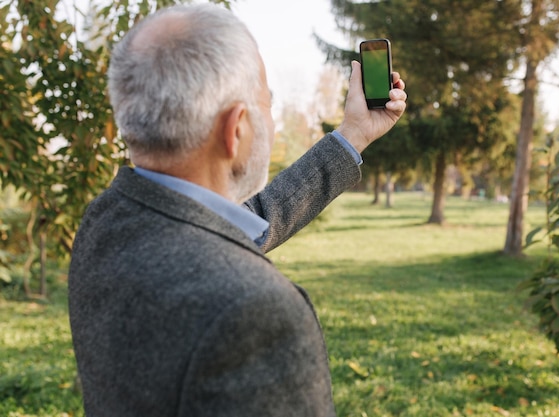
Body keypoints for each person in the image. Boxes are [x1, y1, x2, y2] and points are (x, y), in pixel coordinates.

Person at [68, 3, 406, 417]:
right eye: (268, 102)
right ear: (237, 129)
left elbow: (239, 226)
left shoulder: (108, 221)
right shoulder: (255, 314)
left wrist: (353, 135)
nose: (273, 120)